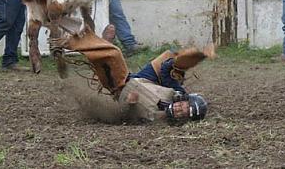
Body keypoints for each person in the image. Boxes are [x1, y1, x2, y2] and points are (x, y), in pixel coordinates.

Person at [56, 26, 213, 123]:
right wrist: (175, 63)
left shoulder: (155, 119)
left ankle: (68, 42)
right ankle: (198, 55)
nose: (179, 109)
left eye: (183, 113)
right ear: (184, 99)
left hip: (124, 86)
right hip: (146, 81)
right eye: (184, 106)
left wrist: (130, 105)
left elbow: (123, 116)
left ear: (183, 120)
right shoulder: (176, 94)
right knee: (169, 57)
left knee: (114, 53)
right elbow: (165, 71)